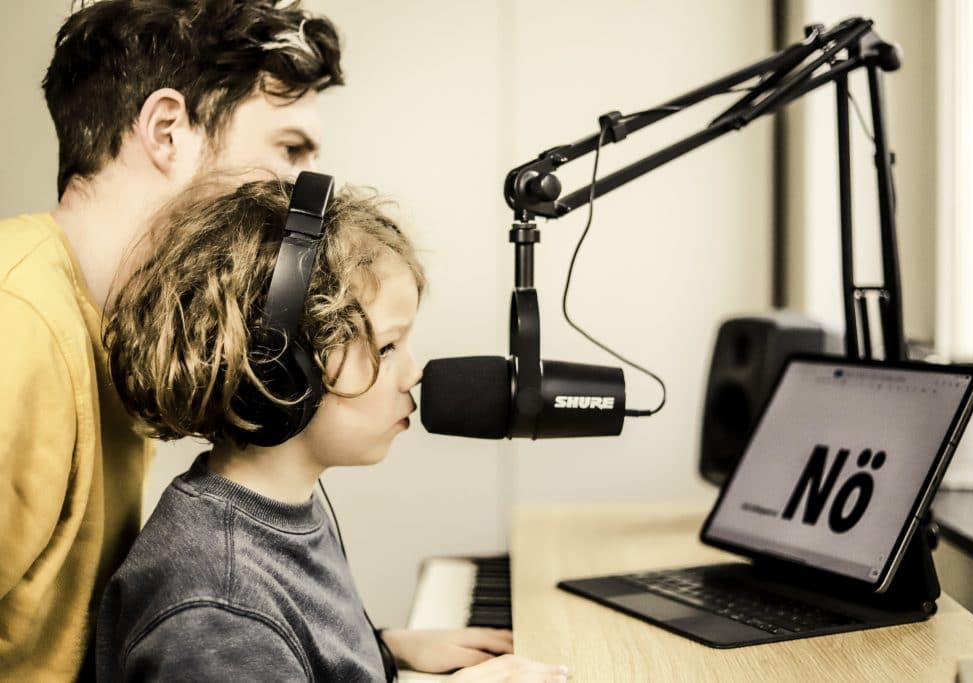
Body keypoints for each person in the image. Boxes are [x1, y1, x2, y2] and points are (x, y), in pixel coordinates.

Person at [96, 176, 570, 682]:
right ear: (278, 370)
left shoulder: (278, 509)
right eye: (387, 348)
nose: (414, 373)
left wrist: (384, 649)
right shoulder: (219, 605)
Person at [0, 1, 343, 678]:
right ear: (166, 131)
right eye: (289, 150)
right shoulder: (17, 330)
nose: (302, 200)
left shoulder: (116, 329)